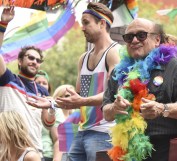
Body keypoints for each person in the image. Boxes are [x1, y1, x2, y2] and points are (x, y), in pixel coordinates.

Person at [27, 2, 122, 161]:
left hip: (105, 133)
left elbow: (113, 95)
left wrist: (82, 100)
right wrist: (53, 103)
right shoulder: (83, 58)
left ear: (101, 23)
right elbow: (78, 98)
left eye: (86, 22)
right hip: (82, 132)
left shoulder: (114, 53)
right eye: (81, 23)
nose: (82, 27)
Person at [102, 18, 177, 161]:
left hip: (166, 148)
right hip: (128, 149)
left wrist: (162, 108)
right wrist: (114, 108)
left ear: (157, 40)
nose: (134, 40)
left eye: (141, 35)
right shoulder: (118, 72)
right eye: (129, 37)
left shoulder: (174, 66)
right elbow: (106, 113)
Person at [0, 7, 56, 160]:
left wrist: (51, 108)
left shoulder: (43, 92)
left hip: (34, 152)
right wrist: (3, 23)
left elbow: (48, 124)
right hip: (8, 152)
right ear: (19, 61)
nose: (34, 62)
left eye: (38, 60)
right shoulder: (8, 79)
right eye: (30, 58)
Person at [35, 70, 63, 161]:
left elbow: (58, 139)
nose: (41, 85)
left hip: (47, 155)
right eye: (38, 82)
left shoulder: (54, 107)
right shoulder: (24, 103)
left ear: (48, 87)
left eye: (44, 83)